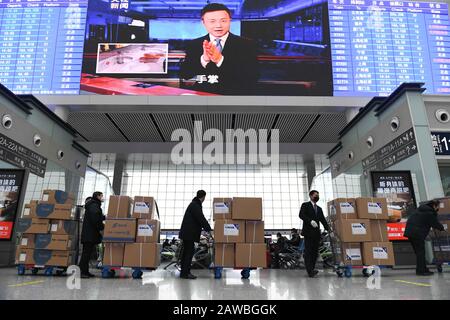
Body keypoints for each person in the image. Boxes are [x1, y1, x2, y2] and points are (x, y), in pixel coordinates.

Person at [180, 3, 258, 95]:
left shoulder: (247, 44)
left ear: (230, 21)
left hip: (233, 96)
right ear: (203, 22)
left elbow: (253, 76)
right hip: (203, 96)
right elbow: (185, 75)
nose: (218, 25)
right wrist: (204, 60)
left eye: (223, 21)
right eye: (212, 21)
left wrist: (220, 60)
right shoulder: (194, 44)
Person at [404, 199, 445, 276]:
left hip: (410, 233)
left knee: (419, 252)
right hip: (417, 233)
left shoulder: (421, 210)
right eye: (437, 207)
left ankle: (422, 269)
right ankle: (421, 271)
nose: (438, 209)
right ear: (434, 205)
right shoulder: (429, 213)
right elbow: (436, 224)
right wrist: (442, 228)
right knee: (420, 252)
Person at [178, 190, 212, 279]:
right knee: (188, 253)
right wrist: (209, 229)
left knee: (186, 253)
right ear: (203, 197)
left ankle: (184, 272)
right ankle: (185, 273)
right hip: (189, 234)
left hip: (187, 234)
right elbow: (201, 218)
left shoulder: (194, 204)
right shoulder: (195, 205)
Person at [299, 190, 330, 278]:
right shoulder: (305, 205)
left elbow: (323, 220)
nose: (317, 197)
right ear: (311, 196)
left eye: (318, 195)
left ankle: (312, 269)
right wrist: (310, 221)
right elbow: (301, 215)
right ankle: (310, 270)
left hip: (316, 234)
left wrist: (329, 229)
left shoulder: (319, 209)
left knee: (315, 252)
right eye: (316, 195)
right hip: (308, 233)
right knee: (308, 252)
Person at [79, 192, 105, 278]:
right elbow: (95, 218)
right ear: (97, 196)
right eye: (101, 196)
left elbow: (97, 216)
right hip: (89, 234)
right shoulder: (94, 205)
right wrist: (102, 227)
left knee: (88, 254)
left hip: (90, 234)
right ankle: (82, 272)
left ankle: (85, 272)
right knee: (86, 254)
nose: (102, 198)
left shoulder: (93, 205)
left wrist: (104, 217)